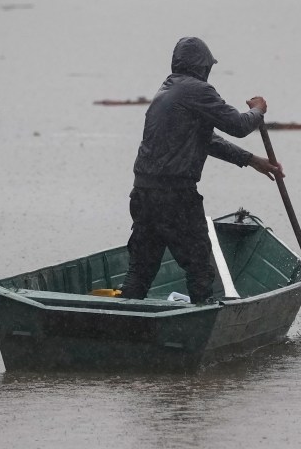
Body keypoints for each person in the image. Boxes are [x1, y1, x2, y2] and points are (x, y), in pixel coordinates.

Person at [119, 36, 282, 304]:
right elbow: (240, 126)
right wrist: (258, 111)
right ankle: (202, 324)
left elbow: (206, 140)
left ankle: (121, 323)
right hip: (175, 196)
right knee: (200, 268)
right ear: (202, 66)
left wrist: (251, 159)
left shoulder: (166, 91)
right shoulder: (198, 91)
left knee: (141, 270)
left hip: (144, 194)